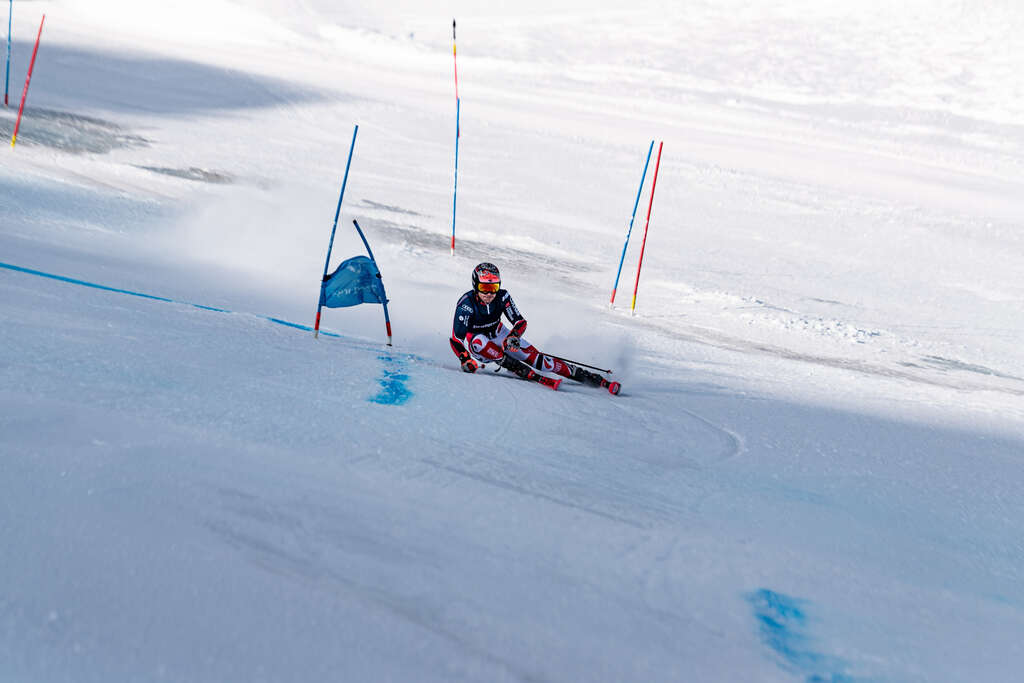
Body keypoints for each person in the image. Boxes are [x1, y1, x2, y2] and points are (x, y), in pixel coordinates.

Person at [449, 262, 621, 394]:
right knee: (480, 341)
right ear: (475, 285)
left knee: (541, 361)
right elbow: (456, 339)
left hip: (499, 334)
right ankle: (518, 368)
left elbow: (520, 321)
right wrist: (465, 359)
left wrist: (513, 336)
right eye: (484, 288)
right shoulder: (466, 304)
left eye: (493, 287)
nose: (489, 294)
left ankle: (592, 378)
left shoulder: (503, 297)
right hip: (478, 345)